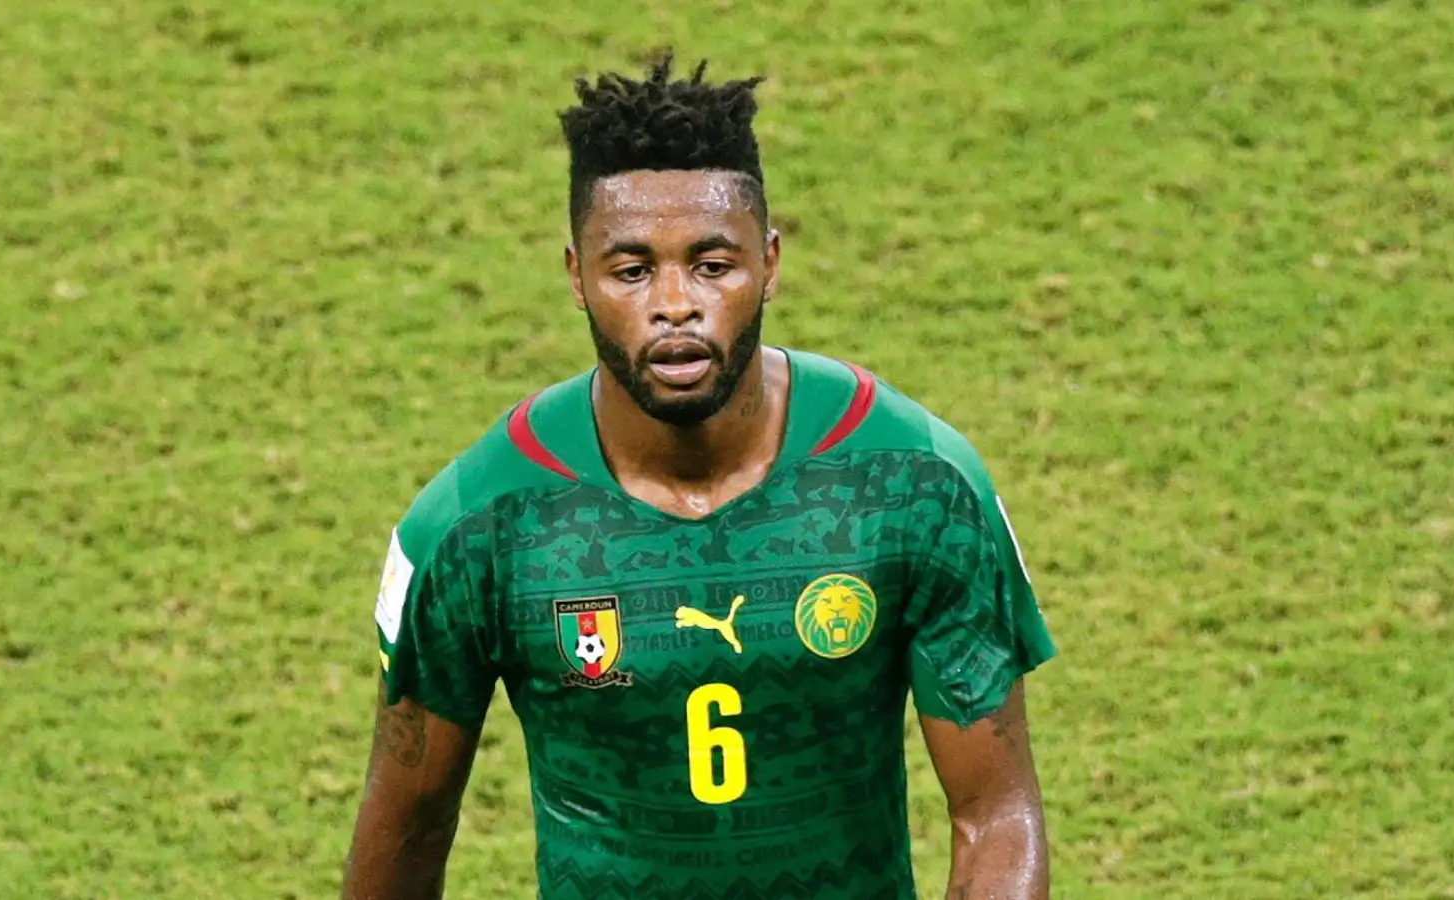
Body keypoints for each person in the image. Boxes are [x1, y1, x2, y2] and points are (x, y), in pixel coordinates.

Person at [340, 52, 1058, 900]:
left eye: (712, 265)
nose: (675, 302)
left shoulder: (913, 486)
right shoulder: (479, 526)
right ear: (577, 276)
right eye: (633, 269)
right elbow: (408, 832)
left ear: (771, 262)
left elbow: (996, 814)